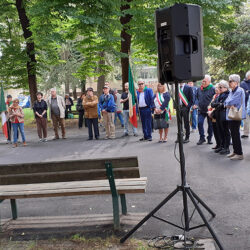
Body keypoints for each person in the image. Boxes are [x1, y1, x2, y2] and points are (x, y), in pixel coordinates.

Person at [225, 74, 246, 160]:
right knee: (233, 134)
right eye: (229, 81)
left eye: (231, 81)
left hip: (236, 115)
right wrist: (228, 104)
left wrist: (228, 104)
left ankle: (239, 154)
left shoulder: (239, 90)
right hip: (231, 115)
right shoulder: (231, 91)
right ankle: (235, 152)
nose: (229, 83)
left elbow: (232, 101)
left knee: (236, 134)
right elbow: (227, 102)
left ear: (236, 82)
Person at [194, 75, 215, 145]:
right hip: (201, 109)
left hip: (209, 110)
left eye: (204, 81)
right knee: (199, 123)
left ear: (209, 82)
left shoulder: (213, 89)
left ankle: (209, 138)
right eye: (202, 81)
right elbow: (196, 98)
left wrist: (212, 108)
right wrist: (196, 104)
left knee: (210, 125)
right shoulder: (199, 89)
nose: (203, 82)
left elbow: (215, 98)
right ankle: (202, 138)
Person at [214, 80, 230, 154]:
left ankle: (226, 148)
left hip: (224, 116)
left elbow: (222, 105)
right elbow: (213, 104)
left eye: (220, 87)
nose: (219, 89)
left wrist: (218, 104)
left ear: (225, 87)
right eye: (219, 87)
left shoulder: (227, 94)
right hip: (218, 115)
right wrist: (218, 104)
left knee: (225, 131)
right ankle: (222, 146)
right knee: (220, 131)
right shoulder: (220, 95)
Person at [208, 84, 221, 152]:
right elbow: (211, 104)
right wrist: (209, 110)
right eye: (215, 87)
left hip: (216, 115)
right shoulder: (214, 96)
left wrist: (211, 111)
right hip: (213, 115)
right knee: (215, 131)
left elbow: (216, 106)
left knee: (218, 131)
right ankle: (218, 144)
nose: (216, 89)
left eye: (217, 88)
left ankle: (220, 145)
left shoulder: (220, 96)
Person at [240, 70, 250, 138]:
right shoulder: (243, 83)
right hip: (246, 104)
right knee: (246, 120)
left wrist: (248, 91)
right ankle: (246, 133)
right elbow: (244, 94)